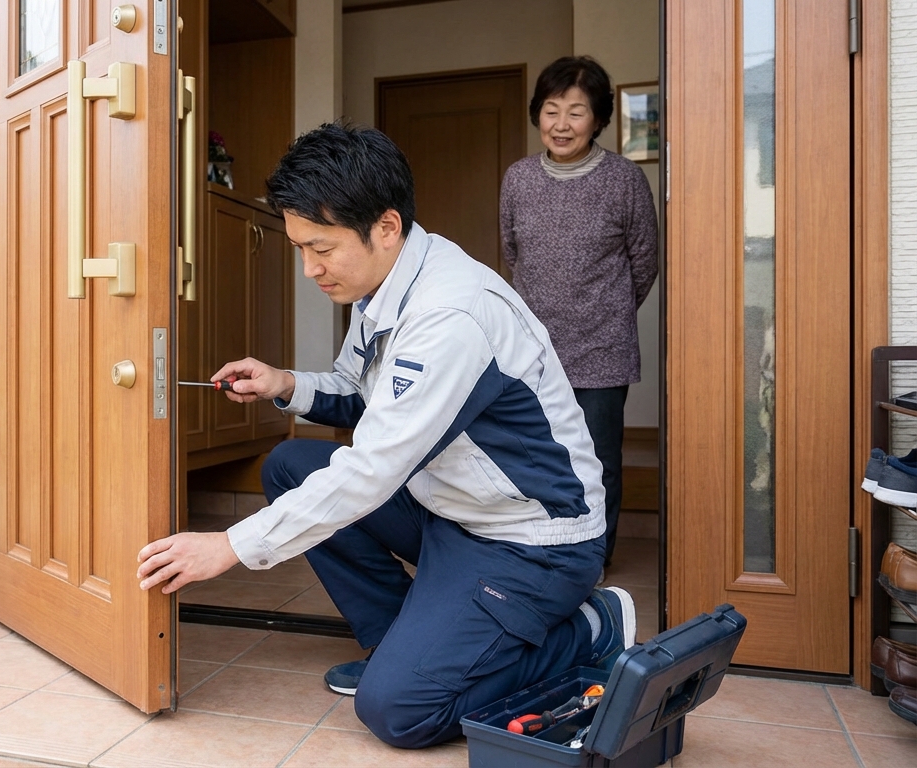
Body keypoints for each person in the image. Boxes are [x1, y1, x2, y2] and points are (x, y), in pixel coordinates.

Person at [136, 123, 635, 749]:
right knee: (293, 464)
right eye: (298, 247)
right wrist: (284, 382)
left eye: (322, 247)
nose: (310, 268)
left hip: (530, 541)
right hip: (450, 510)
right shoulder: (383, 287)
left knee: (399, 710)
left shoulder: (450, 314)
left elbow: (372, 468)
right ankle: (402, 637)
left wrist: (231, 546)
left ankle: (592, 627)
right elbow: (361, 393)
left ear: (387, 227)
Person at [499, 57, 659, 570]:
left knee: (598, 461)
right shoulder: (518, 178)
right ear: (537, 114)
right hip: (534, 348)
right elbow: (511, 252)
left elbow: (644, 261)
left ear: (598, 119)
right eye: (551, 111)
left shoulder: (624, 178)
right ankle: (542, 545)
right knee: (534, 453)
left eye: (576, 112)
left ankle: (593, 557)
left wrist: (605, 311)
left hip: (603, 345)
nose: (561, 124)